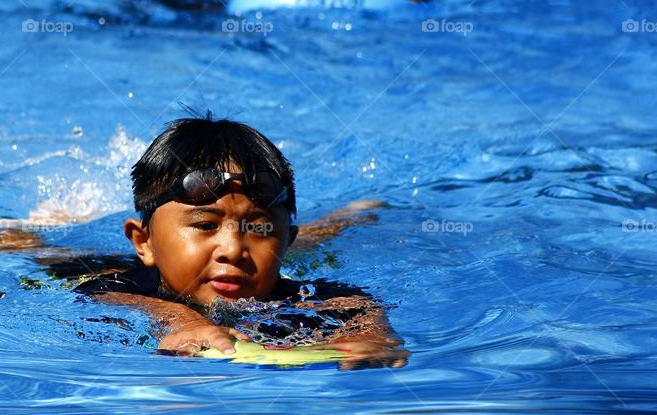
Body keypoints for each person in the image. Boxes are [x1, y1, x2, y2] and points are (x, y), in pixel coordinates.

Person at [30, 114, 407, 369]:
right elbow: (99, 294)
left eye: (259, 227)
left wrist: (372, 334)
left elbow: (357, 305)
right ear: (143, 242)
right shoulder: (125, 287)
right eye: (206, 225)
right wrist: (178, 318)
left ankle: (347, 216)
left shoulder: (299, 298)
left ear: (285, 242)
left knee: (316, 239)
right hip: (99, 263)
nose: (233, 250)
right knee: (41, 253)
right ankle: (29, 231)